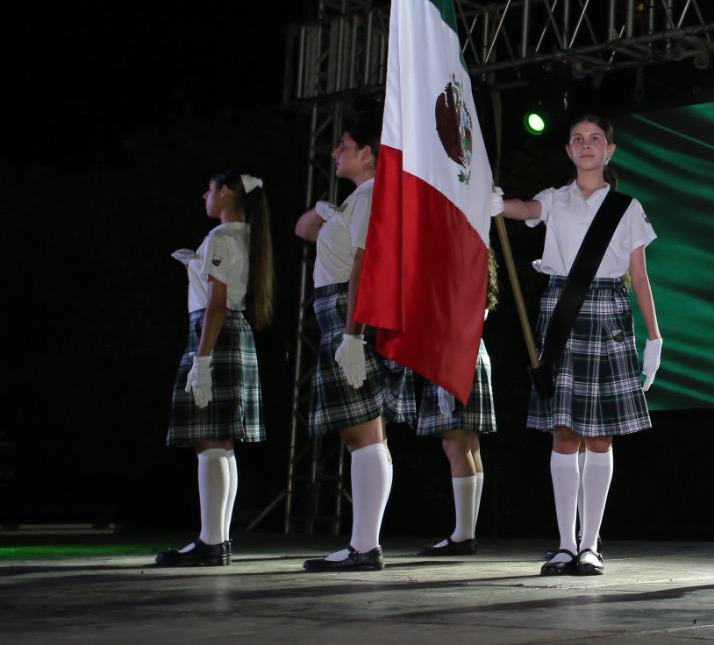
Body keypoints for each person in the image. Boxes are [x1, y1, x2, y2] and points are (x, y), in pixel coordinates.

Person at [500, 113, 662, 577]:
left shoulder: (627, 207)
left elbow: (640, 277)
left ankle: (591, 544)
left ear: (608, 150)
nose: (587, 145)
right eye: (577, 139)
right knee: (563, 431)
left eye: (595, 139)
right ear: (568, 151)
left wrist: (654, 337)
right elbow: (525, 211)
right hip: (561, 312)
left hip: (609, 312)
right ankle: (564, 544)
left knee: (600, 433)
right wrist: (494, 201)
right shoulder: (554, 199)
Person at [155, 170, 274, 567]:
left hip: (215, 336)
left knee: (209, 440)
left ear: (225, 193)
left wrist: (202, 360)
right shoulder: (246, 236)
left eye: (209, 189)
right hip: (232, 335)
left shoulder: (222, 237)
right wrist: (195, 266)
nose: (204, 196)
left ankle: (211, 541)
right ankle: (217, 539)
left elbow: (217, 303)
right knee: (221, 443)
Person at [295, 110, 395, 571]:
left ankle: (364, 546)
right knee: (364, 431)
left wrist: (352, 334)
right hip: (340, 311)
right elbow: (302, 230)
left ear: (367, 153)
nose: (334, 152)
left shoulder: (372, 196)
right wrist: (324, 209)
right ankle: (363, 544)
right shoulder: (358, 198)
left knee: (363, 432)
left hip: (347, 312)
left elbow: (363, 266)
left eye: (343, 145)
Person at [407, 253, 501, 556]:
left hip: (456, 359)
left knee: (458, 446)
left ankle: (463, 535)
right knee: (468, 446)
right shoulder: (474, 275)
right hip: (470, 355)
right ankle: (466, 532)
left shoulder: (461, 277)